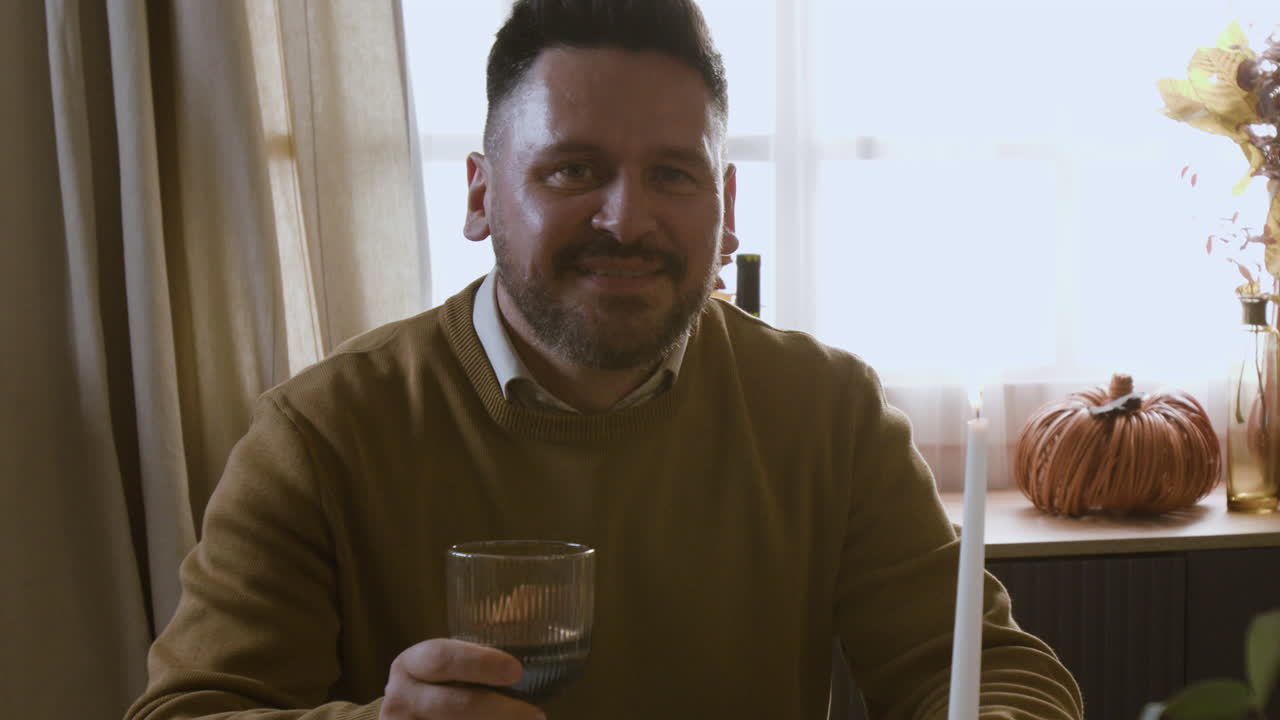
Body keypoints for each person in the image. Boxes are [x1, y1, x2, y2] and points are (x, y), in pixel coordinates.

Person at [125, 1, 1083, 718]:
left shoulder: (827, 411)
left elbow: (988, 670)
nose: (629, 219)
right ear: (480, 195)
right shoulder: (322, 434)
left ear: (727, 214)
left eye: (673, 173)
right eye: (572, 169)